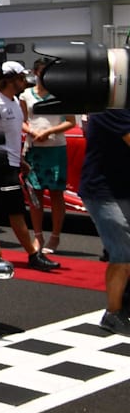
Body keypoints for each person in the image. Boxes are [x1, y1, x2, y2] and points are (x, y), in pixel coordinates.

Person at [0, 61, 60, 271]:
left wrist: (20, 161)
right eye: (20, 79)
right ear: (10, 80)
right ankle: (33, 254)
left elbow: (11, 137)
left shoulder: (14, 102)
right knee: (16, 210)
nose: (24, 82)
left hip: (9, 163)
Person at [77, 109, 130, 335]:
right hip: (103, 191)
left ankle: (124, 303)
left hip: (122, 189)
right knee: (123, 251)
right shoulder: (112, 110)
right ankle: (113, 313)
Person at [20, 59, 75, 252]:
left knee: (56, 193)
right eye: (42, 72)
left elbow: (71, 122)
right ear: (35, 73)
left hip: (56, 147)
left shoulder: (61, 93)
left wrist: (49, 132)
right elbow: (22, 121)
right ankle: (38, 236)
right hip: (34, 148)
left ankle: (55, 236)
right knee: (35, 194)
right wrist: (32, 132)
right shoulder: (26, 95)